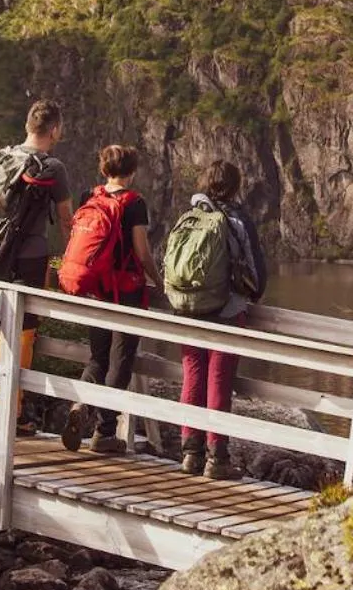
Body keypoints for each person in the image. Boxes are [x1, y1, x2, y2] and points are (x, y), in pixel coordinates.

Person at [0, 99, 73, 435]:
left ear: (28, 125)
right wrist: (70, 261)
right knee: (24, 329)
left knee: (2, 325)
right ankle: (4, 406)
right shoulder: (52, 167)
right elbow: (67, 220)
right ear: (54, 130)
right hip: (29, 256)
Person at [163, 160, 266, 479]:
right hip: (226, 310)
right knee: (219, 380)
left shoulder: (189, 216)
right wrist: (251, 295)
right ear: (235, 186)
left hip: (187, 308)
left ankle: (190, 454)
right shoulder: (237, 220)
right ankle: (217, 458)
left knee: (192, 375)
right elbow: (256, 273)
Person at [59, 144, 158, 455]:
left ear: (104, 169)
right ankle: (104, 433)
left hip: (96, 288)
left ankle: (80, 404)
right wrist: (159, 281)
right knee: (120, 361)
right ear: (132, 171)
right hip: (126, 290)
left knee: (97, 358)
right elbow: (142, 252)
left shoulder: (90, 197)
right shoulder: (134, 203)